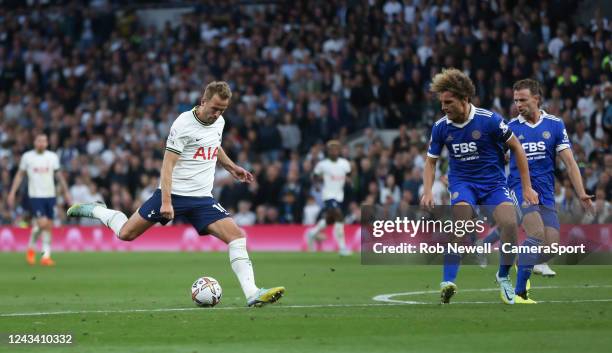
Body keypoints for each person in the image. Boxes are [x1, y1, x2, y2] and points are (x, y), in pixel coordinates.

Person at [67, 81, 285, 307]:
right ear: (203, 102)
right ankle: (98, 210)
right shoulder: (183, 124)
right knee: (126, 234)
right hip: (175, 194)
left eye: (223, 109)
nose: (218, 113)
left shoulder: (219, 121)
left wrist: (232, 167)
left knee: (237, 236)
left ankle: (252, 293)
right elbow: (167, 165)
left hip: (202, 199)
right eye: (215, 108)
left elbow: (214, 144)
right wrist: (167, 202)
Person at [421, 68, 539, 304]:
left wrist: (527, 187)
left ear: (465, 99)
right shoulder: (441, 127)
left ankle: (503, 276)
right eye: (441, 102)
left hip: (493, 183)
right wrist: (427, 191)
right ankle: (447, 282)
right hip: (462, 183)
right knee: (461, 222)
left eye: (448, 102)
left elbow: (517, 147)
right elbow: (430, 162)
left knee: (509, 224)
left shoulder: (489, 120)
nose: (443, 107)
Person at [506, 79, 593, 278]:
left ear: (536, 99)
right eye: (516, 100)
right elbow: (494, 157)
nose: (518, 105)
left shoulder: (554, 125)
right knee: (536, 234)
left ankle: (520, 262)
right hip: (521, 188)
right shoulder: (510, 127)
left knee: (552, 247)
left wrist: (581, 193)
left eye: (523, 100)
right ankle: (511, 283)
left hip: (545, 191)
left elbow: (570, 163)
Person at [8, 134, 72, 266]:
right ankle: (31, 249)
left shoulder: (52, 157)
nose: (41, 143)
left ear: (47, 143)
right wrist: (12, 192)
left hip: (50, 195)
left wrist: (66, 192)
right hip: (35, 195)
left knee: (48, 226)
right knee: (43, 224)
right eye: (39, 141)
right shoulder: (27, 157)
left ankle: (45, 256)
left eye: (44, 141)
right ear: (34, 142)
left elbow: (59, 175)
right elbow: (20, 175)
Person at [306, 140, 352, 256]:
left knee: (330, 220)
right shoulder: (323, 164)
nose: (334, 151)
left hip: (340, 196)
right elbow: (314, 176)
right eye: (331, 149)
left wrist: (349, 180)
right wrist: (316, 184)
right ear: (328, 151)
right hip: (328, 195)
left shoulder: (344, 163)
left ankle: (312, 233)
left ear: (339, 150)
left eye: (336, 149)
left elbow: (349, 174)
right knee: (339, 216)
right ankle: (342, 248)